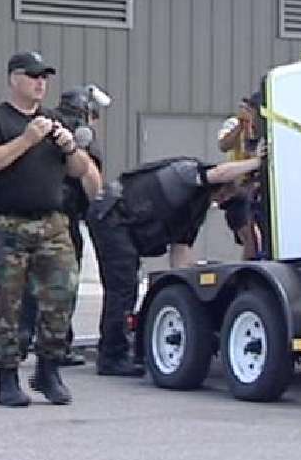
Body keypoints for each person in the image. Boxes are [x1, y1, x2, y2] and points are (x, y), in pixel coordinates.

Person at [0, 51, 100, 407]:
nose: (40, 83)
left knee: (62, 295)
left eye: (45, 77)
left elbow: (80, 171)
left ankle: (48, 369)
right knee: (8, 304)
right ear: (14, 79)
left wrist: (69, 145)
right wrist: (27, 140)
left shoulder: (55, 120)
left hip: (52, 222)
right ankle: (8, 377)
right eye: (33, 76)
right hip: (8, 222)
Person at [87, 152, 266, 377]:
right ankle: (111, 357)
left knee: (125, 285)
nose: (222, 200)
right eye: (225, 192)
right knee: (123, 286)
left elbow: (180, 250)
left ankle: (116, 349)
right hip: (112, 216)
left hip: (125, 226)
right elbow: (219, 172)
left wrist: (185, 292)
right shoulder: (187, 172)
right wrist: (258, 162)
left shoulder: (196, 210)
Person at [14, 86, 103, 368]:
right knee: (62, 284)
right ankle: (58, 344)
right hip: (64, 218)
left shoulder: (43, 123)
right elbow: (90, 177)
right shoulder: (79, 135)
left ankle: (21, 338)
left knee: (27, 282)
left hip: (28, 213)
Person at [215, 93, 264, 260]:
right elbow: (223, 145)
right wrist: (241, 126)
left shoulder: (264, 128)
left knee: (259, 237)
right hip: (238, 190)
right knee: (249, 236)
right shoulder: (235, 124)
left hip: (258, 189)